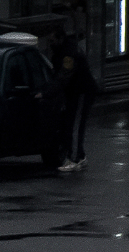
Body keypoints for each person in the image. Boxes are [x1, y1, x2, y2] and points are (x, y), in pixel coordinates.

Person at [48, 25, 99, 173]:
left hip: (82, 91)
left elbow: (64, 75)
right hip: (76, 91)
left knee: (76, 124)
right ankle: (78, 156)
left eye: (52, 40)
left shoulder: (68, 53)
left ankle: (75, 159)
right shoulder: (66, 50)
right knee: (72, 123)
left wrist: (48, 92)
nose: (50, 44)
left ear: (60, 38)